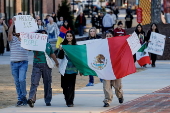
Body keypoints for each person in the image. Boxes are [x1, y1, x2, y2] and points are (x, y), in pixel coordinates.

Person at [27, 30, 59, 108]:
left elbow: (51, 53)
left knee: (47, 83)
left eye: (45, 35)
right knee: (34, 82)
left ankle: (48, 100)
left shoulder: (48, 45)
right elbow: (28, 48)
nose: (43, 36)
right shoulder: (35, 44)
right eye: (41, 35)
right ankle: (31, 99)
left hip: (47, 66)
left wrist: (56, 62)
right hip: (37, 65)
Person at [8, 17, 28, 106]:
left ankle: (23, 96)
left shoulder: (25, 39)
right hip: (14, 63)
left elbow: (29, 48)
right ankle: (20, 99)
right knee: (17, 81)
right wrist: (12, 23)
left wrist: (23, 40)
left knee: (21, 80)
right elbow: (9, 35)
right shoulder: (12, 40)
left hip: (23, 62)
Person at [59, 30, 81, 107]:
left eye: (70, 36)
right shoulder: (63, 45)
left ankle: (70, 101)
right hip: (64, 69)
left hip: (73, 69)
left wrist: (80, 69)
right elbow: (60, 57)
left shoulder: (75, 46)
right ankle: (67, 97)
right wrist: (61, 50)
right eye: (67, 36)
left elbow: (79, 58)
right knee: (64, 86)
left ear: (73, 37)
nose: (69, 37)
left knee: (71, 86)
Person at [102, 31, 124, 107]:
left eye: (110, 35)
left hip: (116, 69)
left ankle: (120, 95)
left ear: (113, 37)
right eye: (107, 36)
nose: (108, 37)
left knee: (117, 86)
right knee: (106, 86)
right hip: (106, 69)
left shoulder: (117, 45)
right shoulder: (101, 46)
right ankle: (107, 101)